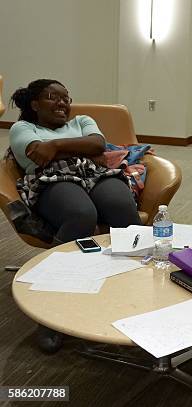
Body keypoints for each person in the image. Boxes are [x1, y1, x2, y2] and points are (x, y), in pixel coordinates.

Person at [9, 79, 142, 353]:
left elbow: (97, 144)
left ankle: (133, 296)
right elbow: (38, 153)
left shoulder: (83, 119)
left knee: (124, 210)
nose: (63, 103)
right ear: (34, 104)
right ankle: (49, 312)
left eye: (66, 98)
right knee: (82, 214)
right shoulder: (22, 127)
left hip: (95, 173)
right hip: (52, 178)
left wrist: (55, 146)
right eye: (52, 97)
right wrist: (80, 148)